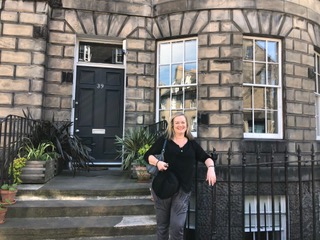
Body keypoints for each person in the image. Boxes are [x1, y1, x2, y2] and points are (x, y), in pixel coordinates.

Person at [144, 112, 216, 240]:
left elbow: (206, 158)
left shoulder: (192, 144)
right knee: (162, 226)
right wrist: (158, 162)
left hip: (183, 191)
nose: (180, 125)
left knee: (177, 227)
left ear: (187, 125)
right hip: (163, 187)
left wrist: (211, 168)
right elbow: (147, 155)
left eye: (183, 122)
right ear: (172, 125)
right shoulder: (165, 140)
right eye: (177, 122)